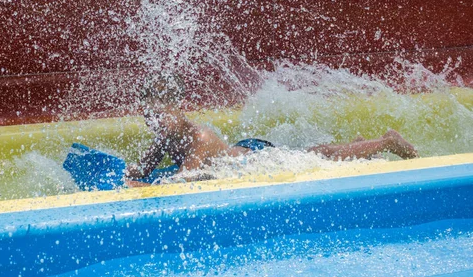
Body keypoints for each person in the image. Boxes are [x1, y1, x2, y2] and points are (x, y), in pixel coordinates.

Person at [124, 75, 418, 187]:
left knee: (317, 157)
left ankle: (385, 142)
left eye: (160, 114)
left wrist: (142, 188)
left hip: (253, 160)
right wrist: (130, 173)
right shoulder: (166, 135)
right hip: (239, 153)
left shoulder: (198, 138)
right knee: (319, 156)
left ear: (178, 108)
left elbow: (180, 181)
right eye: (148, 114)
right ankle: (359, 148)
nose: (154, 121)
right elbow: (143, 170)